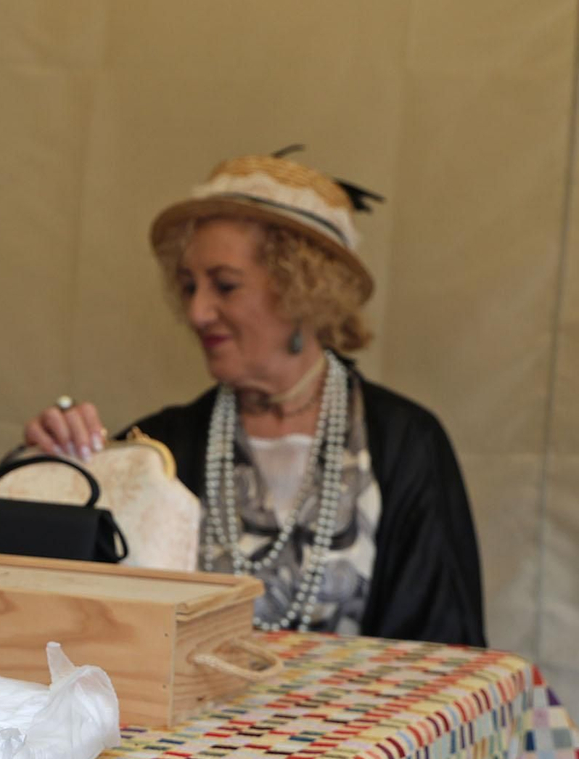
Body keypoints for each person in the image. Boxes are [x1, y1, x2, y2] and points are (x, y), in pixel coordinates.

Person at [25, 153, 485, 646]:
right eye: (188, 286)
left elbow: (443, 650)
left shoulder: (404, 442)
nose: (198, 312)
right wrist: (55, 475)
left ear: (302, 289)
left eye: (225, 285)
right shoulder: (160, 447)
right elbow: (79, 618)